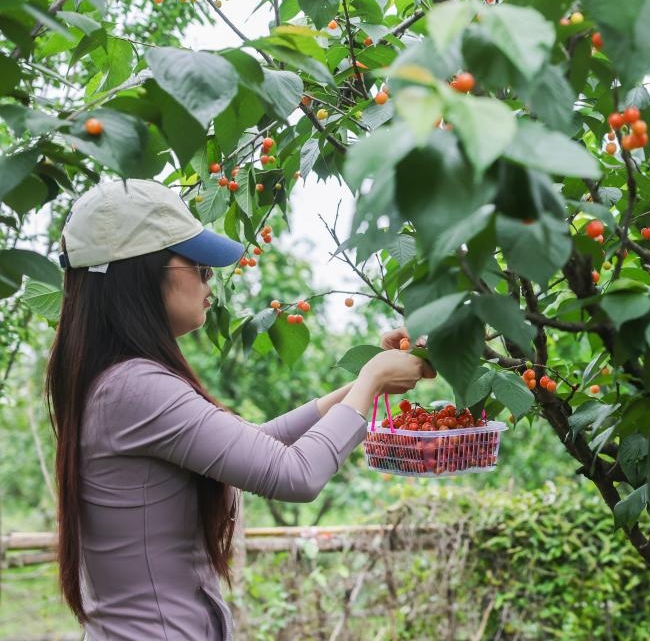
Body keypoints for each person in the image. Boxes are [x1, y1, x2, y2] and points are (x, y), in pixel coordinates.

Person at [45, 179, 434, 640]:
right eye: (196, 263)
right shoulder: (134, 387)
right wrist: (371, 383)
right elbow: (295, 474)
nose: (210, 276)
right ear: (140, 275)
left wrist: (359, 382)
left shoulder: (116, 381)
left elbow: (256, 446)